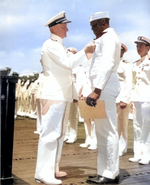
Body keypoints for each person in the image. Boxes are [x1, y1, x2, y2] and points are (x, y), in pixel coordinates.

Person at [34, 11, 96, 185]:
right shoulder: (51, 45)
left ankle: (52, 169)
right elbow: (69, 64)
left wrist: (78, 54)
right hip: (54, 95)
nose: (67, 29)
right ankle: (42, 173)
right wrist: (85, 51)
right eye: (64, 26)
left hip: (61, 95)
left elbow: (72, 63)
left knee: (59, 134)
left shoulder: (59, 46)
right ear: (54, 28)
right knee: (49, 134)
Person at [85, 11, 121, 184]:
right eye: (91, 26)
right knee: (101, 131)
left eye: (95, 25)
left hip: (105, 86)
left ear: (105, 22)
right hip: (101, 86)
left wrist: (97, 90)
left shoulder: (109, 37)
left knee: (109, 130)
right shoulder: (103, 38)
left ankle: (111, 173)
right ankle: (103, 171)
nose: (93, 30)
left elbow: (106, 63)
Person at [129, 36, 150, 165]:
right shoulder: (134, 64)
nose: (139, 48)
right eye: (137, 46)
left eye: (141, 46)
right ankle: (137, 153)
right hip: (136, 98)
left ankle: (146, 154)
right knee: (137, 127)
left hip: (148, 98)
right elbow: (132, 83)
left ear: (148, 47)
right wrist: (131, 98)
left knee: (147, 127)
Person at [116, 43, 132, 156]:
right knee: (113, 124)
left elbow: (129, 82)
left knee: (122, 124)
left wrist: (125, 99)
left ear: (123, 52)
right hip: (111, 98)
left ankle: (122, 148)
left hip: (121, 98)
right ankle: (114, 146)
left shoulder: (126, 65)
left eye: (120, 50)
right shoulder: (110, 64)